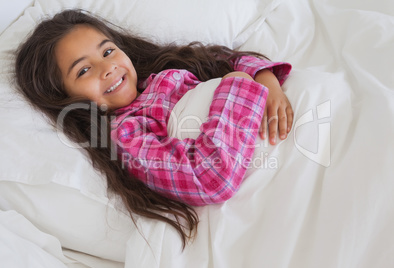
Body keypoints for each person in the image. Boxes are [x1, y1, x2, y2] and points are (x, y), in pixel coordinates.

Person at [15, 9, 293, 247]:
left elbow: (226, 58)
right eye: (83, 71)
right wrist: (240, 84)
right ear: (65, 97)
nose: (108, 67)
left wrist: (265, 79)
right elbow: (210, 178)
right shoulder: (126, 134)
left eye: (108, 51)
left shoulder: (164, 72)